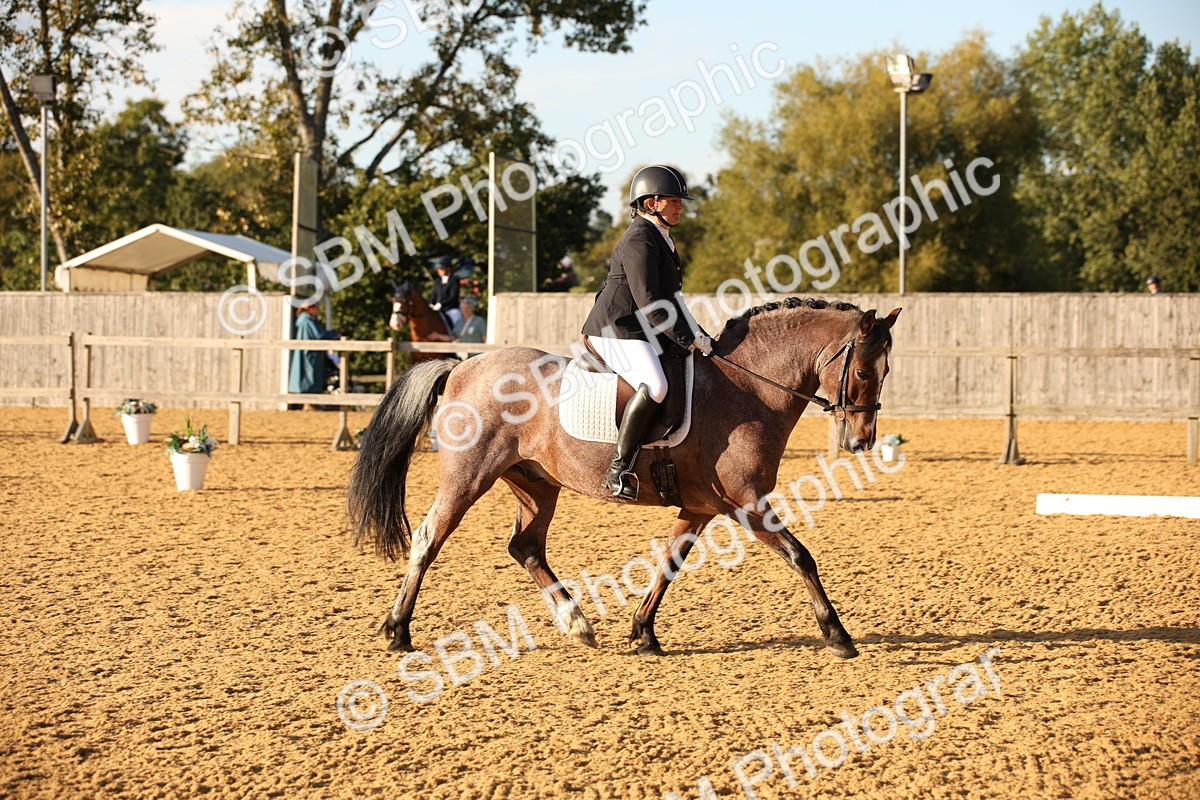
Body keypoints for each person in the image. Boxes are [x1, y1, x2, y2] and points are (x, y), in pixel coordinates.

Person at [581, 164, 714, 499]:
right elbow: (651, 302)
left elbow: (674, 299)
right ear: (653, 202)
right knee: (655, 385)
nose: (681, 205)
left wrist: (700, 335)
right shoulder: (640, 239)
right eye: (675, 200)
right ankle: (617, 470)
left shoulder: (661, 237)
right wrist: (688, 338)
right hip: (616, 328)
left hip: (641, 327)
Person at [288, 302, 340, 408]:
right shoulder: (307, 321)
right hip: (310, 354)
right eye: (316, 307)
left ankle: (309, 404)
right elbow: (319, 334)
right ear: (310, 308)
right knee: (310, 376)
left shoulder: (306, 320)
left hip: (309, 353)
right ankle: (309, 404)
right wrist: (334, 334)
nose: (318, 310)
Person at [429, 257, 462, 329]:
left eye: (441, 268)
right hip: (438, 310)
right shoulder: (437, 281)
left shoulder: (454, 280)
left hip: (451, 309)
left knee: (456, 320)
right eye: (438, 269)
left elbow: (453, 297)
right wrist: (430, 304)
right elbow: (434, 295)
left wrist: (441, 304)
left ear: (448, 268)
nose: (439, 271)